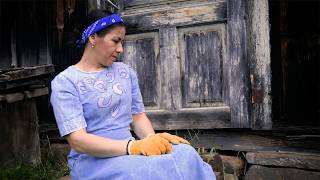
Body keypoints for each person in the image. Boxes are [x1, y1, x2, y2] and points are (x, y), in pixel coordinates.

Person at [50, 9, 216, 180]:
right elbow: (78, 140)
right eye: (115, 41)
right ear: (93, 38)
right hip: (93, 161)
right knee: (145, 171)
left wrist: (152, 140)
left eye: (122, 42)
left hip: (130, 151)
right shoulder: (66, 82)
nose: (120, 49)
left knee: (185, 154)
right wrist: (133, 147)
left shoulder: (125, 73)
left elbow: (137, 117)